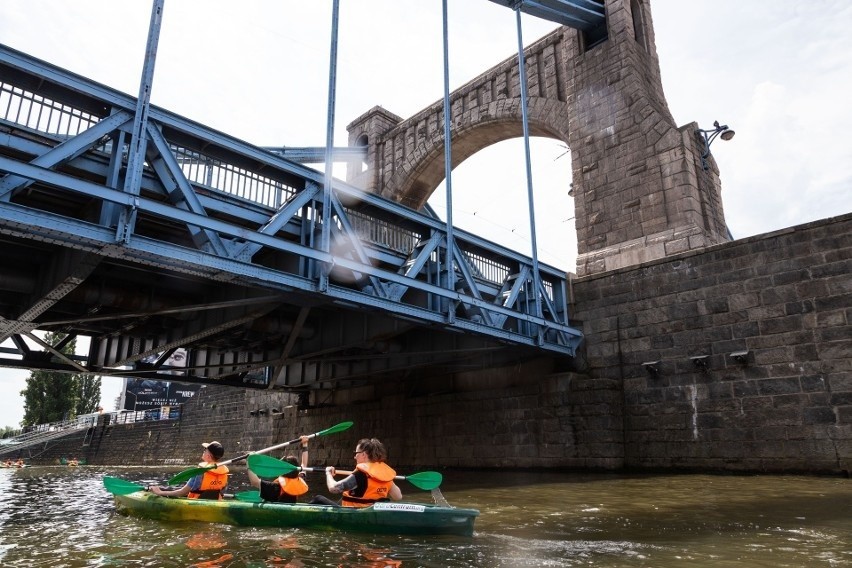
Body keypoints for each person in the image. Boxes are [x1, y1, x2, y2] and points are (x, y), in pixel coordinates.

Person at [310, 438, 402, 507]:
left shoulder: (360, 474)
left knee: (318, 499)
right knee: (340, 500)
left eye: (356, 453)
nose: (354, 457)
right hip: (372, 512)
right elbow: (398, 497)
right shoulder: (384, 474)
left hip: (354, 513)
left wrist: (328, 474)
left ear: (363, 454)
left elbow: (333, 488)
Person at [149, 441, 228, 500]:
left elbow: (182, 492)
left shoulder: (199, 472)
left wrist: (160, 493)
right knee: (166, 488)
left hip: (196, 503)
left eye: (205, 450)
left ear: (208, 455)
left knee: (165, 490)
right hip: (215, 502)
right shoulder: (224, 472)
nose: (203, 452)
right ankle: (161, 488)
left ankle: (159, 489)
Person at [247, 435, 310, 503]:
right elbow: (304, 465)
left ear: (282, 471)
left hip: (276, 512)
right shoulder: (298, 479)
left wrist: (249, 461)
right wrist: (305, 444)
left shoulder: (275, 487)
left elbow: (254, 482)